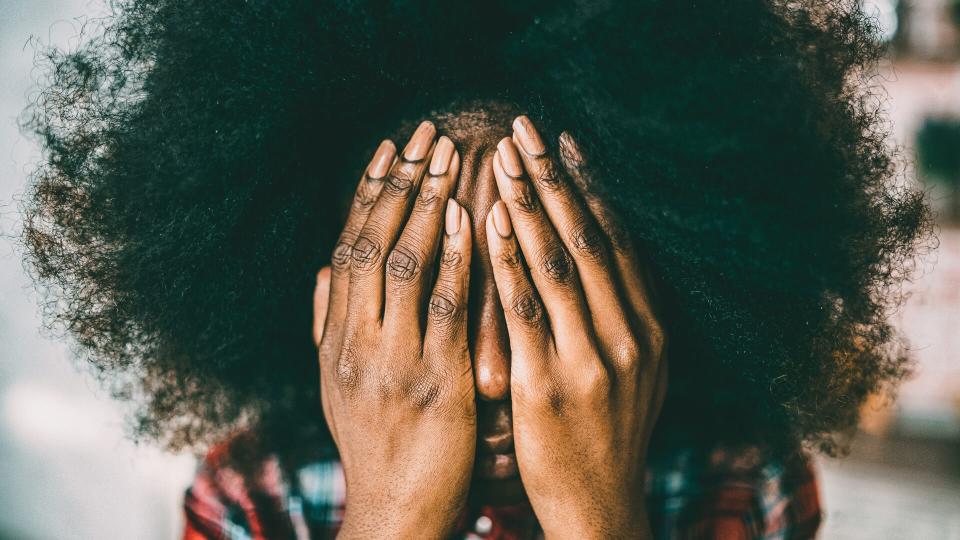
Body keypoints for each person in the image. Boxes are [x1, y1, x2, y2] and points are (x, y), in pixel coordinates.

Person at [21, 1, 929, 538]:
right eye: (424, 293)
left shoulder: (749, 480)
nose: (493, 371)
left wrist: (599, 514)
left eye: (547, 284)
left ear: (652, 287)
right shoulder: (252, 498)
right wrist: (388, 517)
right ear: (328, 311)